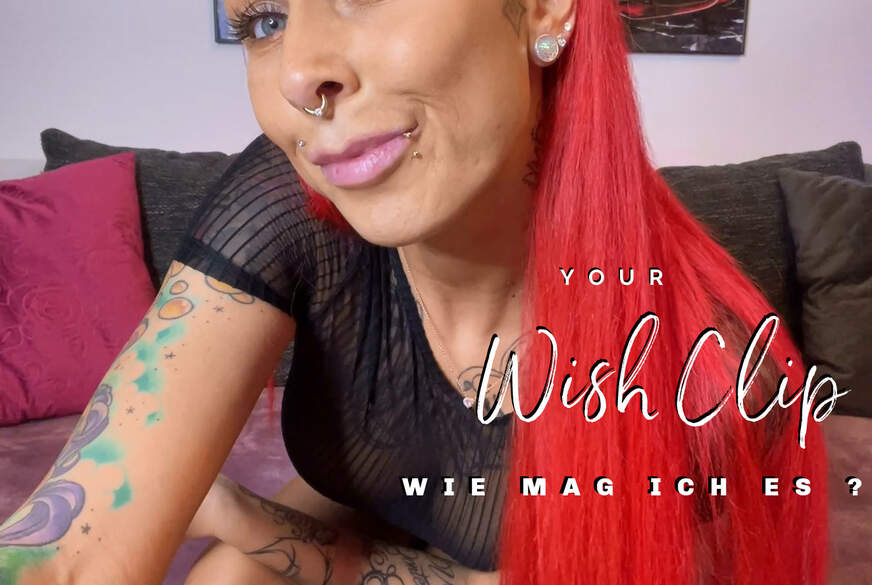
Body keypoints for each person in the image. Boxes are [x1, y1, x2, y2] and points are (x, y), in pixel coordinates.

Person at [0, 0, 833, 584]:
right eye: (263, 20)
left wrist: (254, 521)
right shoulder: (289, 203)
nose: (299, 74)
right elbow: (69, 550)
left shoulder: (714, 376)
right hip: (374, 508)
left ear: (545, 9)